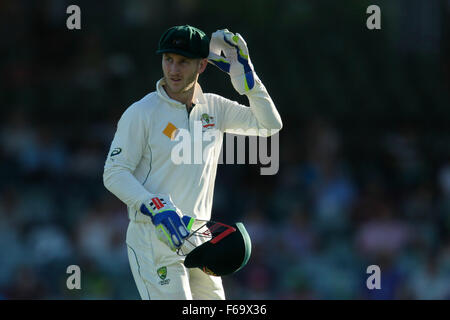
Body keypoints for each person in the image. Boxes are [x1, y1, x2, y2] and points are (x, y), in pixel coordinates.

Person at [103, 25, 282, 300]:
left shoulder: (215, 107)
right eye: (168, 60)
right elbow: (114, 172)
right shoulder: (142, 112)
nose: (173, 69)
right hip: (153, 234)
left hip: (198, 235)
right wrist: (155, 206)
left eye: (183, 62)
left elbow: (269, 125)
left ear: (202, 65)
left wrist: (248, 79)